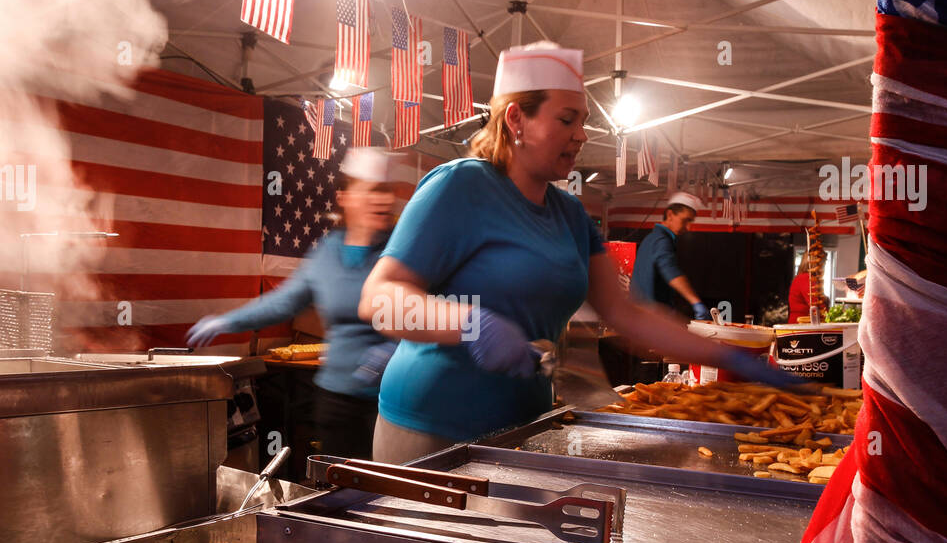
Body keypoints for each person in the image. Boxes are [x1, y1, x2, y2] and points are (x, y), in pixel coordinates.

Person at [357, 40, 802, 463]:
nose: (583, 135)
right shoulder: (460, 186)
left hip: (522, 427)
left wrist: (723, 353)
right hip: (429, 430)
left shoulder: (570, 214)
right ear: (516, 119)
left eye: (584, 121)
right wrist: (471, 325)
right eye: (567, 119)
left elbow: (627, 315)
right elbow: (379, 301)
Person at [186, 147, 397, 460]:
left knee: (388, 495)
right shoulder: (327, 251)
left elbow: (430, 310)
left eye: (386, 191)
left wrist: (391, 352)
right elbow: (285, 301)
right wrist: (227, 321)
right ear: (344, 196)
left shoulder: (401, 249)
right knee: (344, 490)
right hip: (336, 398)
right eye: (371, 191)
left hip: (391, 401)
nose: (382, 200)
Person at [629, 194, 708, 320]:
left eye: (690, 222)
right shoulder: (661, 240)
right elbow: (669, 269)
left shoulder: (652, 238)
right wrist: (695, 301)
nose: (688, 227)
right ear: (670, 215)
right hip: (650, 318)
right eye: (685, 220)